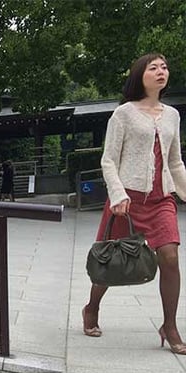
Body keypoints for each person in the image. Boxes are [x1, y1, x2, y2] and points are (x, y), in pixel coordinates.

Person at [82, 53, 186, 354]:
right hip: (125, 202)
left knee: (170, 257)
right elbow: (109, 160)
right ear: (140, 75)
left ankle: (169, 326)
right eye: (153, 67)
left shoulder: (172, 116)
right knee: (110, 263)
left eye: (164, 67)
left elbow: (175, 162)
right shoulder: (124, 114)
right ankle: (91, 308)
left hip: (161, 199)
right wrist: (117, 194)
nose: (160, 71)